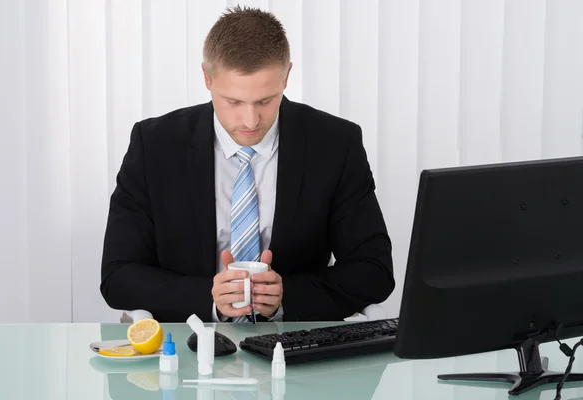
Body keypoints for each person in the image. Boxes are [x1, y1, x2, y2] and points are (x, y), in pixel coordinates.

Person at [100, 6, 394, 323]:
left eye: (265, 100)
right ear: (207, 78)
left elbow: (374, 270)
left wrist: (286, 296)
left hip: (294, 347)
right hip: (187, 345)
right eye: (234, 102)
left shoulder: (336, 144)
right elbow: (118, 275)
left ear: (287, 76)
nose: (250, 120)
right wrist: (207, 296)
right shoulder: (154, 145)